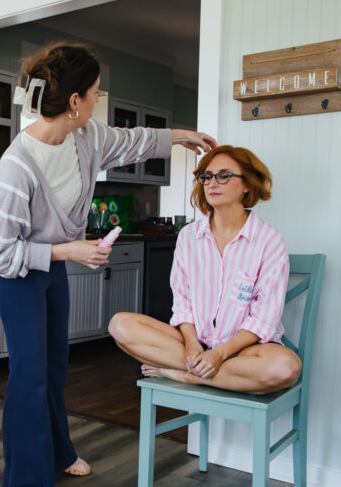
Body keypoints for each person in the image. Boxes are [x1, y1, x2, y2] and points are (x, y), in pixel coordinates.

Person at [0, 41, 216, 487]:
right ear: (74, 102)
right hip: (20, 276)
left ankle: (59, 452)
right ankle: (20, 485)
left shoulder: (84, 138)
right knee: (29, 374)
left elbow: (131, 141)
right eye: (93, 93)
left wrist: (179, 136)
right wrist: (69, 250)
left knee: (55, 366)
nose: (95, 100)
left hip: (52, 269)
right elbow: (1, 252)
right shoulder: (16, 166)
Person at [108, 145, 302, 393]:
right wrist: (191, 343)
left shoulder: (269, 240)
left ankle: (185, 375)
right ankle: (212, 371)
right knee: (120, 325)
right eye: (207, 177)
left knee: (285, 368)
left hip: (245, 350)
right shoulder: (188, 236)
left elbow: (265, 318)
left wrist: (220, 354)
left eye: (224, 175)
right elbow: (182, 301)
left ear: (247, 185)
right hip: (194, 344)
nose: (212, 183)